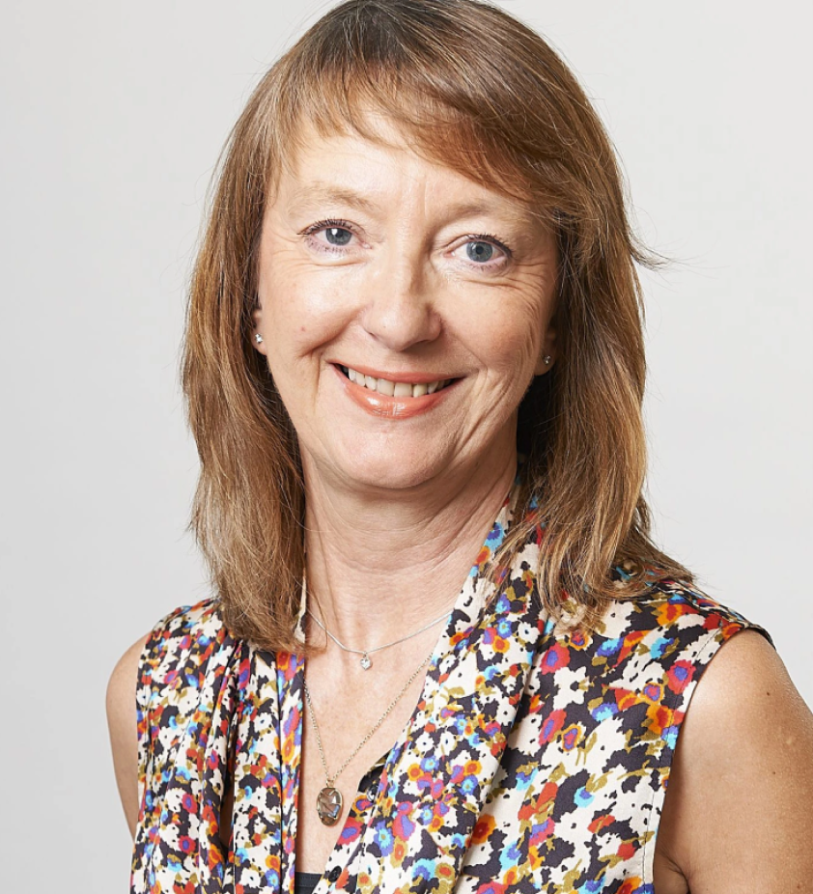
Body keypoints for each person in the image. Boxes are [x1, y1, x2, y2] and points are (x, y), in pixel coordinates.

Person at [106, 0, 813, 891]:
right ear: (250, 293)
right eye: (337, 234)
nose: (399, 318)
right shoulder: (167, 697)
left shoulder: (701, 704)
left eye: (477, 248)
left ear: (555, 319)